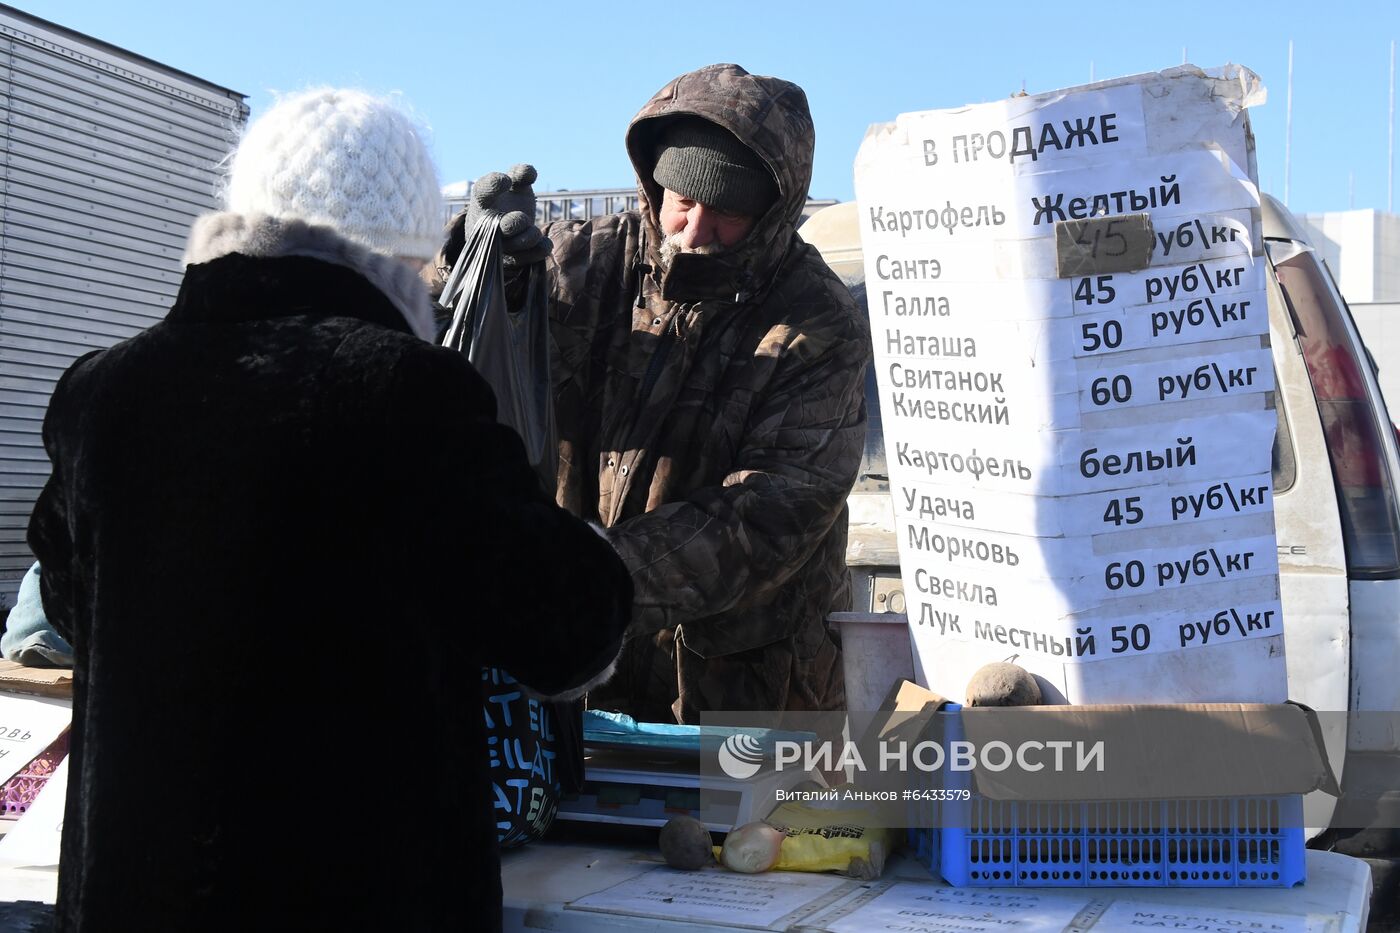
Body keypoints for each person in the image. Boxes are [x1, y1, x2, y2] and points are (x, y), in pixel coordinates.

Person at [28, 88, 631, 933]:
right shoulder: (402, 390)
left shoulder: (100, 392)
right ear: (404, 244)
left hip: (133, 893)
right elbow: (568, 621)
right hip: (353, 894)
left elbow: (63, 606)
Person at [437, 64, 868, 724]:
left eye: (725, 213)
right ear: (654, 186)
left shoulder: (817, 323)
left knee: (763, 833)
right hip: (572, 681)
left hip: (743, 690)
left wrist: (593, 573)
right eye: (683, 203)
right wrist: (475, 264)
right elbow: (448, 357)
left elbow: (773, 510)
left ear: (772, 210)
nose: (696, 230)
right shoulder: (580, 259)